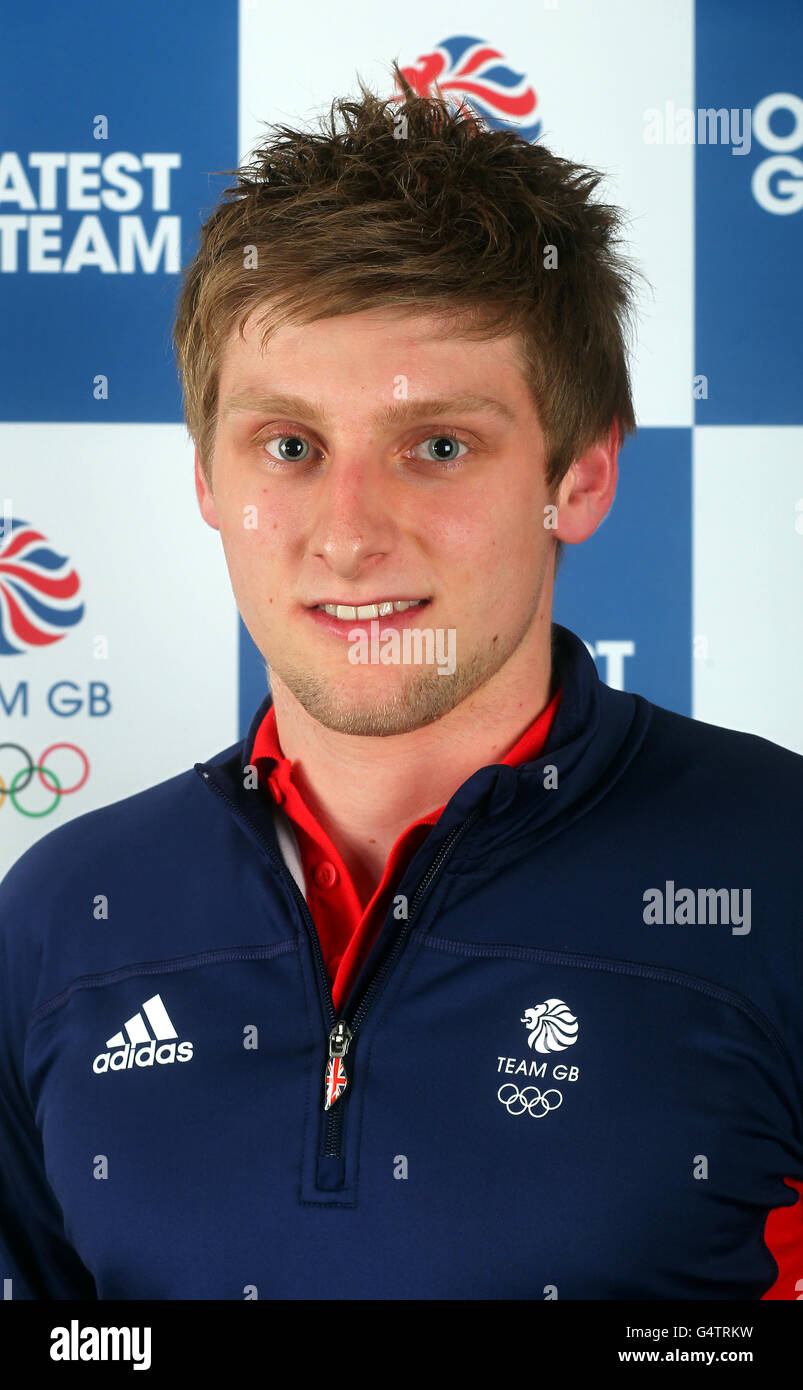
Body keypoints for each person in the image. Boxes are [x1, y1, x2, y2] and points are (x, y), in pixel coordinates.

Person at [1, 68, 801, 1301]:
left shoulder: (775, 864)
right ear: (208, 482)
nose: (349, 532)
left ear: (578, 479)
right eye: (289, 446)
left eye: (436, 446)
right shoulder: (64, 914)